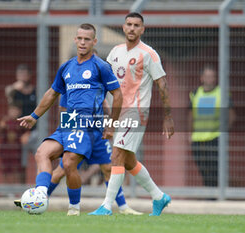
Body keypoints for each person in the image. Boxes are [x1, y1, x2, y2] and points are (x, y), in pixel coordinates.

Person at [17, 23, 123, 216]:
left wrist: (111, 124)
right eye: (80, 38)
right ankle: (40, 195)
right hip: (68, 123)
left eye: (87, 39)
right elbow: (52, 93)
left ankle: (74, 207)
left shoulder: (101, 66)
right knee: (42, 152)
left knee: (68, 163)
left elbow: (118, 95)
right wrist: (34, 116)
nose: (83, 42)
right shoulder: (66, 67)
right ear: (75, 39)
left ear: (94, 41)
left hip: (88, 126)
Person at [89, 12, 174, 216]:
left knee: (117, 154)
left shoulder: (148, 53)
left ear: (142, 29)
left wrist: (168, 116)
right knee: (127, 160)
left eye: (137, 25)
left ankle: (107, 206)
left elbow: (162, 83)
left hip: (136, 112)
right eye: (129, 24)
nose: (132, 28)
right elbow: (106, 82)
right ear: (123, 27)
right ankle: (159, 196)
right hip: (117, 112)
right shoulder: (115, 52)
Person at [14, 93, 142, 215]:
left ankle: (123, 207)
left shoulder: (97, 77)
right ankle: (39, 198)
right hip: (78, 134)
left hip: (97, 134)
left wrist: (110, 125)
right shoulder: (69, 81)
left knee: (109, 168)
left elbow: (103, 103)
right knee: (60, 172)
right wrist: (68, 132)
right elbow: (62, 110)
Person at [188, 65, 235, 187]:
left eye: (212, 76)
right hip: (198, 138)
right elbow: (190, 115)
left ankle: (215, 195)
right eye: (207, 76)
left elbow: (232, 115)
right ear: (202, 78)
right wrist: (189, 133)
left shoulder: (222, 93)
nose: (210, 79)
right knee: (203, 169)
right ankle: (209, 193)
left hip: (215, 137)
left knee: (215, 169)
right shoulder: (195, 93)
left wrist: (224, 132)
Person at [5, 64, 38, 182]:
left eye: (25, 74)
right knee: (21, 164)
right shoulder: (14, 92)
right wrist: (14, 87)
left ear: (29, 75)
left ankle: (39, 187)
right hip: (19, 132)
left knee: (40, 159)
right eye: (20, 74)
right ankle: (22, 188)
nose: (23, 77)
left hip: (35, 131)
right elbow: (7, 95)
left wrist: (29, 132)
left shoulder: (35, 91)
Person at [0, 102, 28, 183]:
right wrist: (1, 126)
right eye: (11, 110)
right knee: (5, 170)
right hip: (5, 150)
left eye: (15, 110)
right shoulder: (5, 121)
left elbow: (27, 132)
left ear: (19, 112)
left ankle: (15, 190)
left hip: (17, 150)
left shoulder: (21, 122)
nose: (13, 112)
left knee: (16, 170)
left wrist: (26, 135)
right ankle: (6, 189)